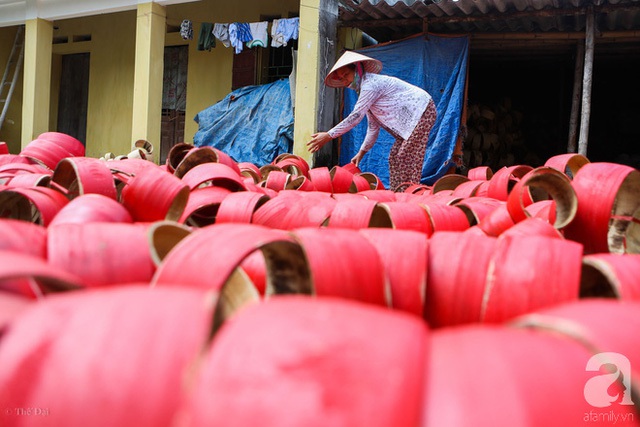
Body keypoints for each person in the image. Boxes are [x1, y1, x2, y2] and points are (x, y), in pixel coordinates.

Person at [307, 51, 437, 190]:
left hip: (422, 110)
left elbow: (355, 117)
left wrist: (329, 135)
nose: (345, 80)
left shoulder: (370, 85)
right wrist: (361, 153)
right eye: (341, 78)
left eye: (346, 74)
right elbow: (373, 128)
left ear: (357, 69)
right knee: (394, 157)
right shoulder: (365, 92)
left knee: (405, 156)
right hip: (411, 120)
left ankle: (410, 193)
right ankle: (398, 193)